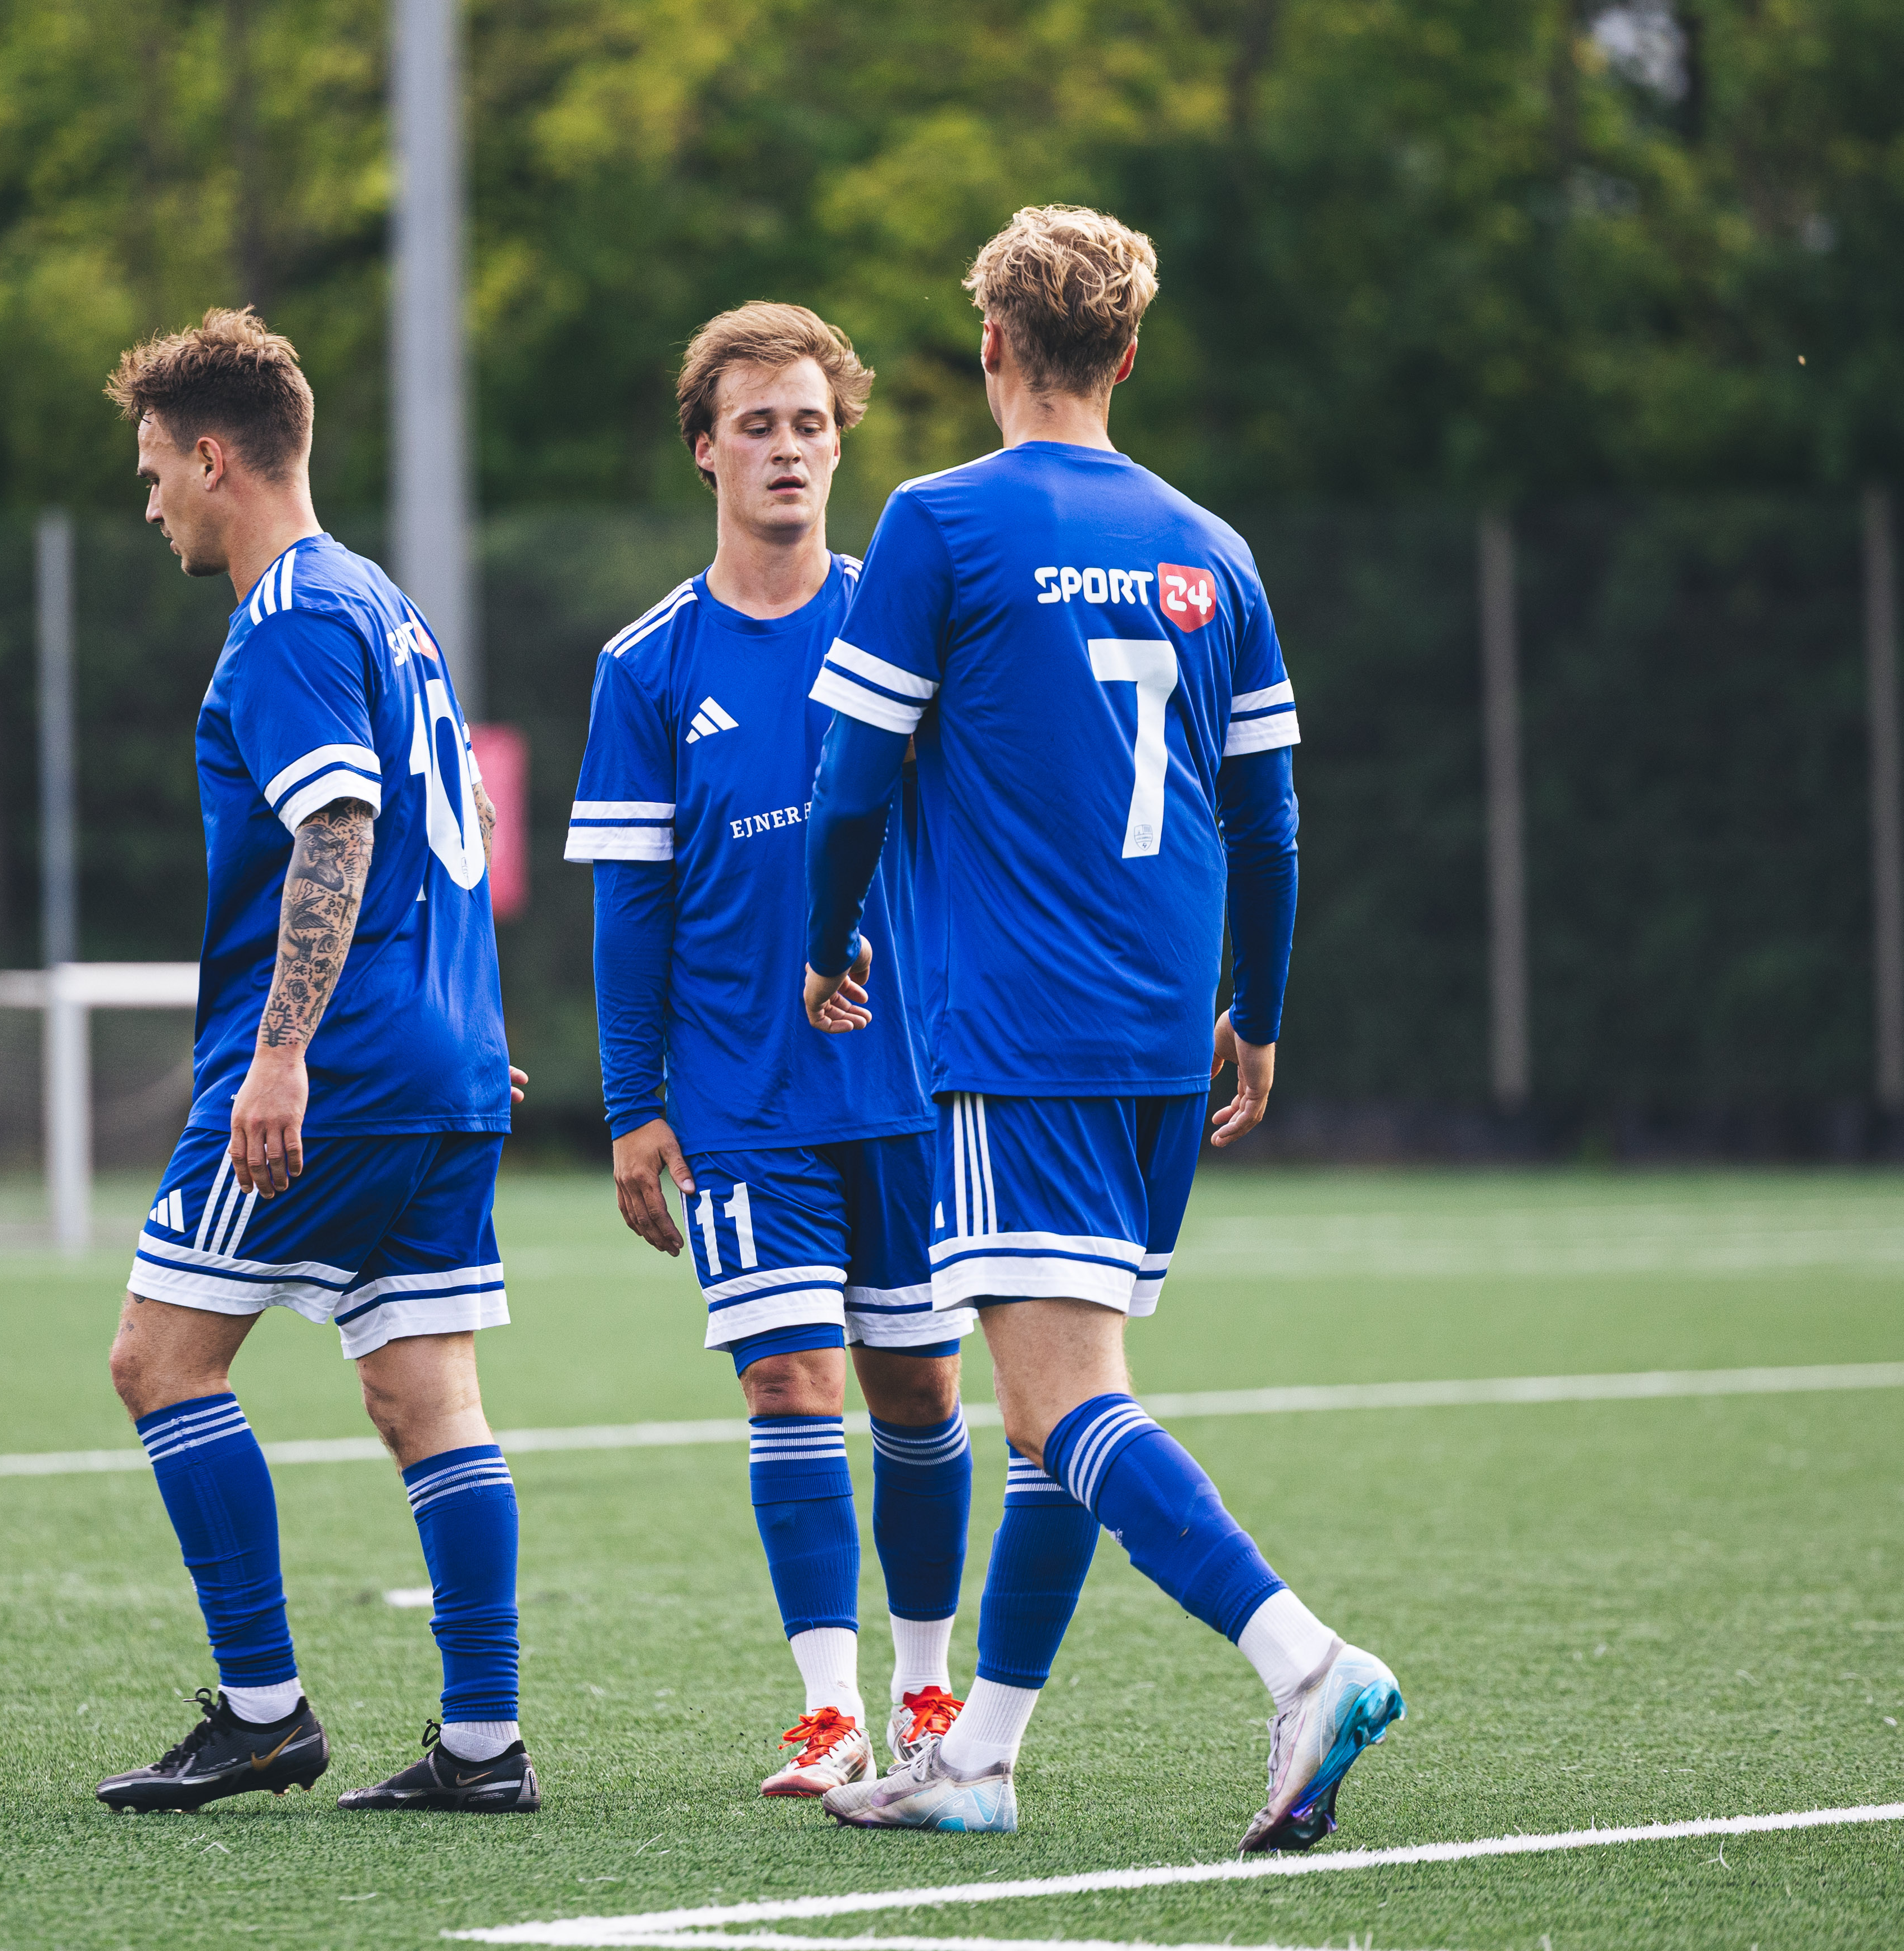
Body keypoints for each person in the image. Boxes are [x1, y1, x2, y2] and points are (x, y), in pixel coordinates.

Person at [799, 207, 1401, 1850]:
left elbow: (850, 779)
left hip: (1019, 1028)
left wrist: (822, 940)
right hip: (1159, 1031)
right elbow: (1267, 821)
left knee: (1062, 1404)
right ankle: (976, 1759)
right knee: (1049, 1411)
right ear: (1127, 353)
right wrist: (1255, 1012)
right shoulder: (1211, 546)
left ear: (989, 343)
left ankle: (1304, 1662)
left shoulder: (935, 521)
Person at [90, 308, 536, 1816]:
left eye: (155, 469)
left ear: (214, 458)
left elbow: (337, 828)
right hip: (438, 1063)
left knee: (159, 1362)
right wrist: (455, 1036)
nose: (151, 500)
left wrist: (281, 1053)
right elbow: (452, 834)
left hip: (336, 1065)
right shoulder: (384, 606)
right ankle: (481, 1744)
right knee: (425, 1393)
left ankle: (263, 1713)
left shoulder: (285, 615)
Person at [566, 302, 977, 1802]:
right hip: (740, 1098)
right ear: (704, 449)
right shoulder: (645, 666)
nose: (787, 449)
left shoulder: (904, 626)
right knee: (789, 1386)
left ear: (839, 443)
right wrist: (632, 1104)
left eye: (810, 423)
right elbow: (630, 911)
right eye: (757, 425)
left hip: (908, 1090)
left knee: (914, 1390)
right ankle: (827, 1712)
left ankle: (926, 1695)